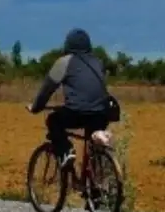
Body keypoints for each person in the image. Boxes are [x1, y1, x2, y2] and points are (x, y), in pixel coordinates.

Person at [26, 28, 111, 168]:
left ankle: (66, 150)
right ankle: (95, 182)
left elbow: (47, 90)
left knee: (53, 120)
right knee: (93, 144)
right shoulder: (98, 62)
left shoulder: (64, 62)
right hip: (102, 114)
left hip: (77, 113)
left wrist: (36, 107)